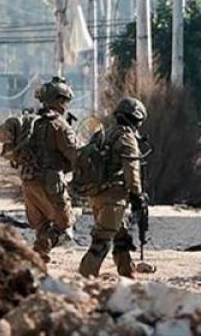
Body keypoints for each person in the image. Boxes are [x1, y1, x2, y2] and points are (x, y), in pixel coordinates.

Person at [78, 97, 151, 278]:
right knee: (102, 241)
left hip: (97, 195)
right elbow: (132, 171)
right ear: (137, 119)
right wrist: (137, 195)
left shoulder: (105, 134)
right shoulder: (126, 138)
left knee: (121, 237)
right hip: (114, 198)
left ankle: (127, 273)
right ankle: (85, 277)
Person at [20, 76, 79, 262]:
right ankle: (37, 253)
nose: (67, 105)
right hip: (49, 182)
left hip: (28, 181)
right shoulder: (59, 125)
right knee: (65, 223)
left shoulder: (31, 122)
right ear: (58, 101)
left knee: (42, 225)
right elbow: (75, 155)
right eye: (65, 101)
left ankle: (40, 259)